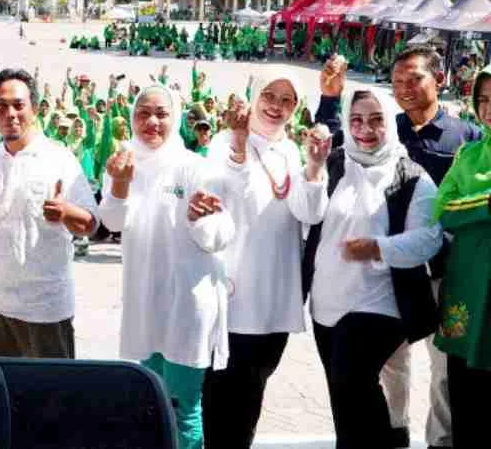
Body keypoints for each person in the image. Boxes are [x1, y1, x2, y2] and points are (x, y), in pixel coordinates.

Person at [315, 47, 482, 449]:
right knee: (390, 369)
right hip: (393, 281)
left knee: (443, 369)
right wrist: (328, 96)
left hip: (449, 277)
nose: (405, 88)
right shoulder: (389, 127)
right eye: (398, 81)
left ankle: (441, 440)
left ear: (439, 80)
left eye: (415, 79)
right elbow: (332, 144)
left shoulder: (466, 136)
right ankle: (394, 433)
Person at [303, 89, 441, 447]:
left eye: (377, 119)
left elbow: (428, 239)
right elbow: (309, 215)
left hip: (381, 305)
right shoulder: (335, 162)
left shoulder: (412, 177)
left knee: (352, 382)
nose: (366, 129)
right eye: (357, 120)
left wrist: (378, 248)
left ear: (390, 123)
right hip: (327, 305)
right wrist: (313, 168)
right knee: (343, 397)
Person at [98, 85, 233, 449]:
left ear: (176, 120)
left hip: (187, 305)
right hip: (145, 303)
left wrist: (197, 219)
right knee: (147, 407)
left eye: (161, 113)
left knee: (182, 408)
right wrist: (120, 186)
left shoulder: (196, 167)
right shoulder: (123, 164)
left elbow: (221, 235)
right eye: (143, 113)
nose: (152, 122)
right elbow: (111, 222)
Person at [200, 70, 328, 449]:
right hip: (233, 291)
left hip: (274, 294)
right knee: (221, 390)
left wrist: (315, 167)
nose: (276, 105)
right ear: (253, 97)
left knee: (253, 388)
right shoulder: (222, 142)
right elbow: (222, 194)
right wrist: (240, 144)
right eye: (269, 95)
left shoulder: (290, 149)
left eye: (286, 100)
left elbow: (309, 213)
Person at [0, 68, 97, 359]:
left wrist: (66, 211)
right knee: (4, 397)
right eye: (1, 106)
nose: (11, 114)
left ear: (34, 109)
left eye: (19, 105)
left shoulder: (59, 159)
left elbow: (91, 224)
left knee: (51, 399)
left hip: (46, 309)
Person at [425, 64, 491, 448]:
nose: (487, 108)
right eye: (482, 100)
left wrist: (474, 207)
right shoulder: (468, 155)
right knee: (464, 394)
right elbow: (443, 211)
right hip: (466, 289)